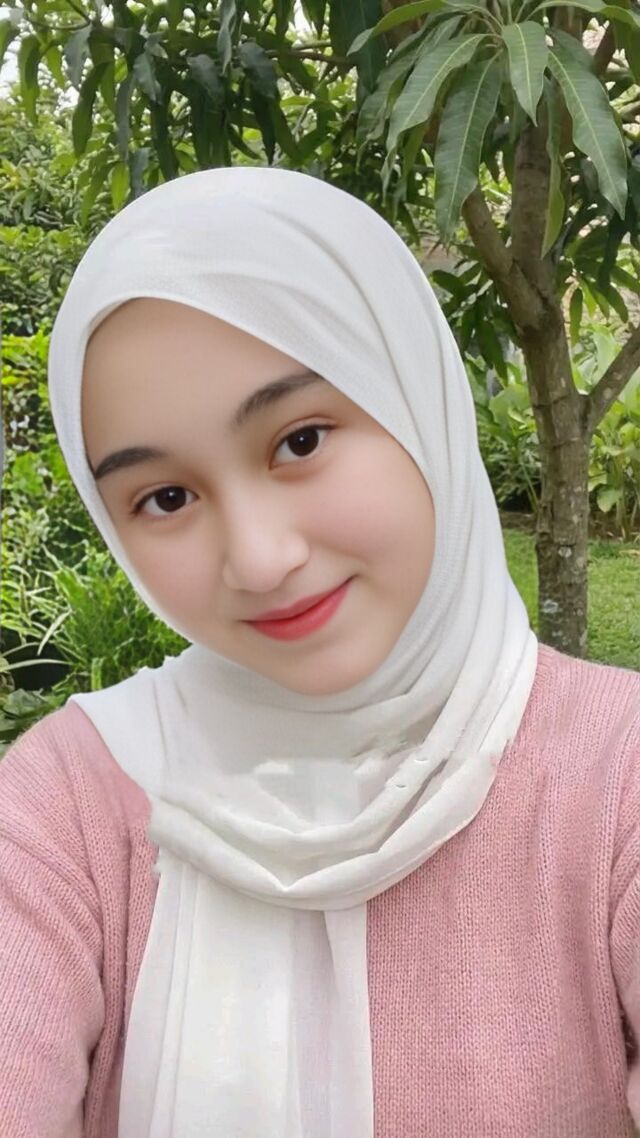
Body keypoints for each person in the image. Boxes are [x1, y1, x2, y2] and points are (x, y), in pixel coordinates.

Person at [0, 166, 638, 1138]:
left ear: (416, 402)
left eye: (299, 440)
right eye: (165, 498)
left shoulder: (615, 776)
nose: (259, 560)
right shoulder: (69, 806)